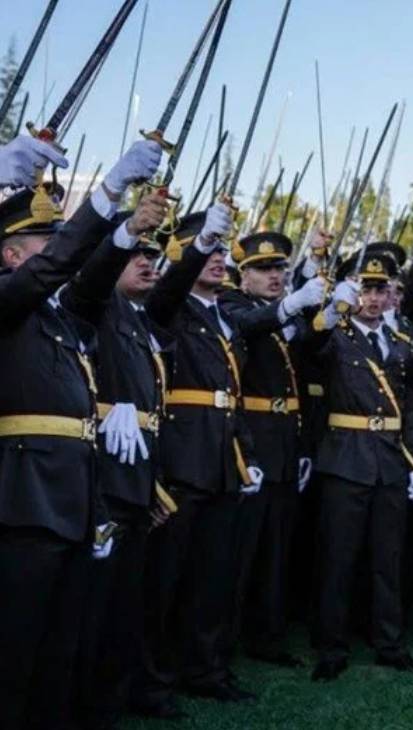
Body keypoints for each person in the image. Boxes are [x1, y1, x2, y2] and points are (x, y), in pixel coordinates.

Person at [0, 136, 161, 730]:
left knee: (59, 653)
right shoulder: (8, 300)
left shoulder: (59, 320)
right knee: (15, 655)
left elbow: (86, 282)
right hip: (23, 503)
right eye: (47, 242)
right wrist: (108, 193)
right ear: (15, 256)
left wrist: (120, 233)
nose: (59, 254)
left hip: (71, 502)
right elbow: (60, 266)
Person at [135, 202, 263, 708]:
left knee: (213, 578)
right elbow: (168, 289)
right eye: (200, 251)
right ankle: (155, 680)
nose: (215, 260)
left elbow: (232, 393)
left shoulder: (225, 315)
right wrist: (200, 243)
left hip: (223, 459)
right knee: (168, 581)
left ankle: (206, 669)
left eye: (218, 251)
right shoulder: (166, 305)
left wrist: (245, 453)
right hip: (184, 460)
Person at [60, 191, 171, 727]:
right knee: (95, 602)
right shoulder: (100, 305)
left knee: (125, 599)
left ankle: (115, 696)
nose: (147, 262)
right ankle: (90, 702)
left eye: (152, 255)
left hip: (136, 474)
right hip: (101, 474)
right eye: (135, 255)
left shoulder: (138, 318)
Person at [303, 251, 413, 681]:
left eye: (380, 289)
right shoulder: (336, 335)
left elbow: (408, 406)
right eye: (365, 290)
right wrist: (332, 306)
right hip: (346, 458)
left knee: (387, 559)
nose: (373, 298)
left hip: (390, 461)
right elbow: (308, 344)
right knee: (339, 558)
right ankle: (332, 647)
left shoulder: (399, 343)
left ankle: (389, 642)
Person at [221, 232, 325, 668]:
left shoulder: (286, 316)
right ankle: (223, 642)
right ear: (242, 276)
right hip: (252, 443)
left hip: (284, 442)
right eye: (264, 270)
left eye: (280, 269)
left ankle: (268, 636)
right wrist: (294, 302)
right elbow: (251, 325)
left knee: (275, 551)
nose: (275, 276)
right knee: (240, 553)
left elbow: (302, 376)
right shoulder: (232, 306)